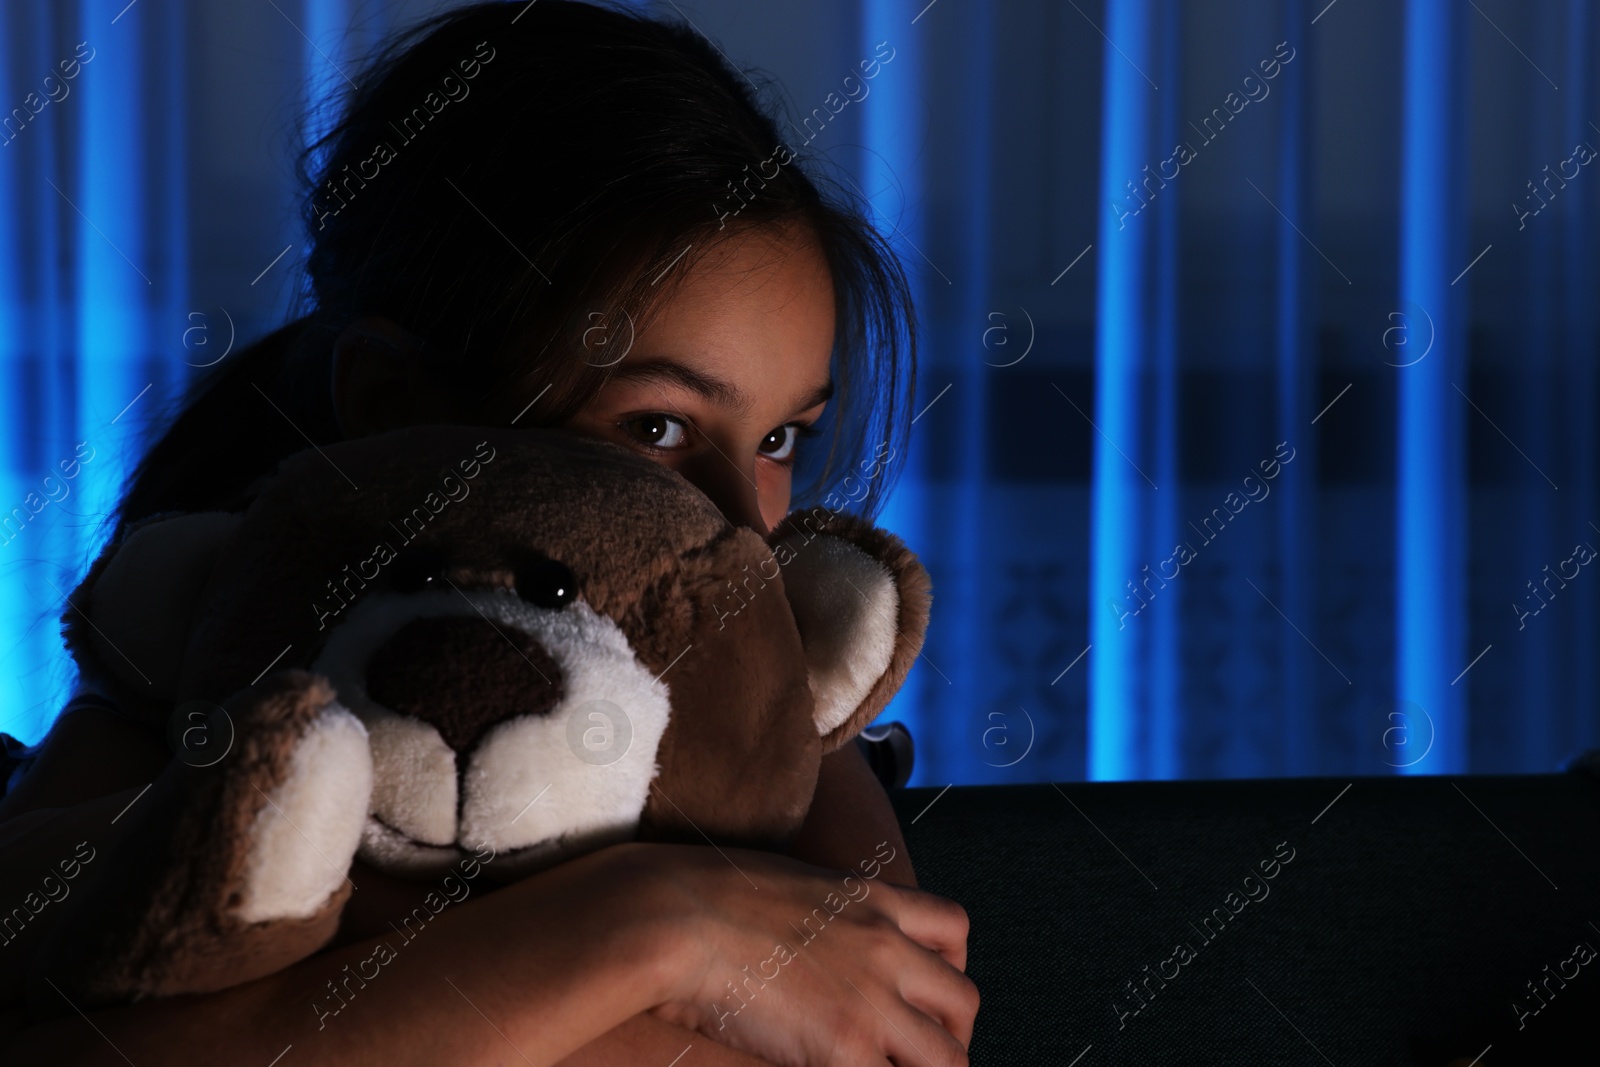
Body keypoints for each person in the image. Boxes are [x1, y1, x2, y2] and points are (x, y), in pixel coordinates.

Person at [0, 1, 978, 1064]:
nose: (740, 520)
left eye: (783, 435)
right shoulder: (199, 679)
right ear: (394, 405)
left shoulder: (765, 715)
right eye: (656, 426)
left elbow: (879, 1024)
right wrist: (650, 924)